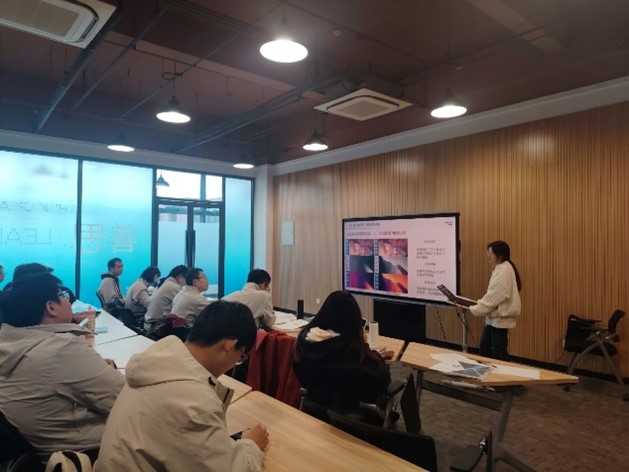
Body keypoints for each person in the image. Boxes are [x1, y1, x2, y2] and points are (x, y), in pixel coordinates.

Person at [95, 301, 269, 471]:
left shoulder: (156, 364)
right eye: (241, 357)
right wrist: (251, 444)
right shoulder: (194, 403)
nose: (235, 363)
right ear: (229, 346)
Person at [0, 272, 125, 461]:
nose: (68, 301)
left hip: (46, 452)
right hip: (91, 454)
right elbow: (125, 398)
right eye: (63, 295)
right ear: (51, 307)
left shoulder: (12, 346)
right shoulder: (60, 349)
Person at [293, 291, 391, 413]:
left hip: (316, 411)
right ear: (353, 321)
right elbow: (383, 378)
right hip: (352, 417)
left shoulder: (303, 344)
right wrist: (366, 348)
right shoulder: (352, 353)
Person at [468, 240, 522, 360]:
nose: (489, 256)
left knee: (498, 352)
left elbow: (495, 295)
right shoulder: (502, 267)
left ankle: (503, 372)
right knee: (485, 348)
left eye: (491, 253)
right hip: (495, 318)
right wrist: (479, 306)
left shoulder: (504, 271)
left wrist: (477, 308)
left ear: (500, 256)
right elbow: (492, 294)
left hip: (500, 318)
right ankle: (488, 370)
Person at [144, 265, 187, 330]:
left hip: (149, 323)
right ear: (180, 276)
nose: (185, 283)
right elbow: (185, 304)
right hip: (155, 326)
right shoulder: (173, 287)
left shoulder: (166, 283)